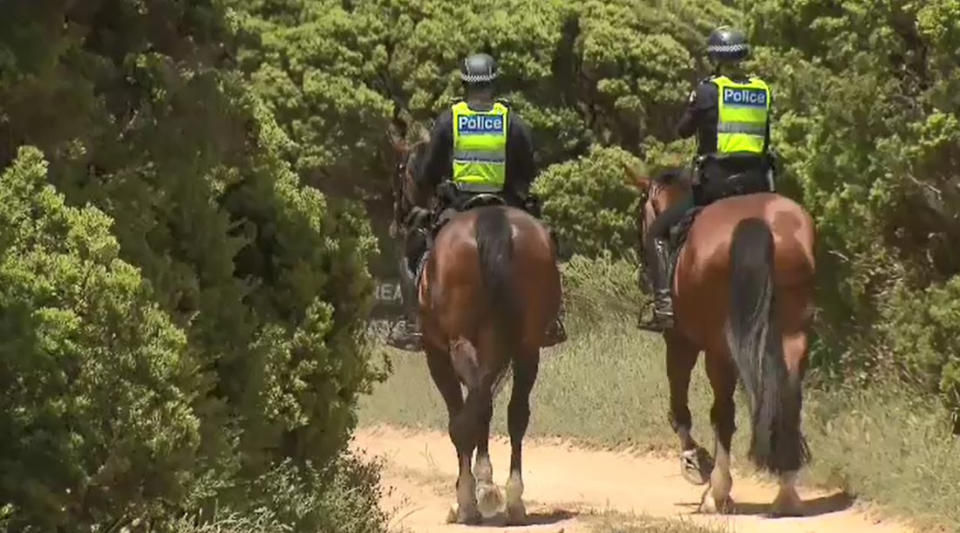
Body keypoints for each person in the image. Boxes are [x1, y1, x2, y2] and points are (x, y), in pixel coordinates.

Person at [386, 52, 565, 350]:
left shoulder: (448, 120)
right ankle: (551, 318)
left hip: (459, 205)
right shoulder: (512, 121)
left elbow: (429, 172)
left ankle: (413, 325)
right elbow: (527, 171)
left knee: (414, 251)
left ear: (465, 84)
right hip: (507, 203)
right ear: (494, 83)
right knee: (547, 245)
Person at [639, 26, 776, 331]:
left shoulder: (707, 90)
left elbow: (684, 131)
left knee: (658, 232)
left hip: (716, 185)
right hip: (758, 185)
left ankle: (664, 307)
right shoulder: (762, 89)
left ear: (715, 58)